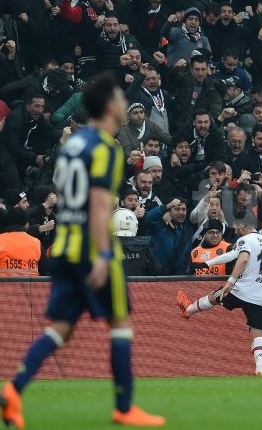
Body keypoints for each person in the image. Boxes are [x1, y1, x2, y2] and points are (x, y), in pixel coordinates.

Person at [0, 74, 165, 428]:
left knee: (61, 327)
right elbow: (101, 203)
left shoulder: (72, 145)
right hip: (92, 247)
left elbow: (65, 192)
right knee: (120, 322)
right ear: (109, 106)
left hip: (64, 245)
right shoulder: (105, 148)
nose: (124, 104)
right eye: (120, 99)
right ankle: (124, 406)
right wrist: (105, 256)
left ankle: (14, 390)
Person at [177, 214, 262, 376]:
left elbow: (242, 259)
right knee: (258, 332)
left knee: (215, 296)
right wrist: (206, 263)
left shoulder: (246, 240)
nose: (236, 229)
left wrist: (231, 281)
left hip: (242, 290)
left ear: (243, 225)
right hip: (261, 293)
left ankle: (188, 310)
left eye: (237, 226)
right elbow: (234, 255)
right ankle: (260, 368)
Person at [0, 208, 44, 277]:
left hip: (4, 287)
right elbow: (45, 269)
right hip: (31, 287)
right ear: (26, 224)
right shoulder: (36, 243)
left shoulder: (1, 240)